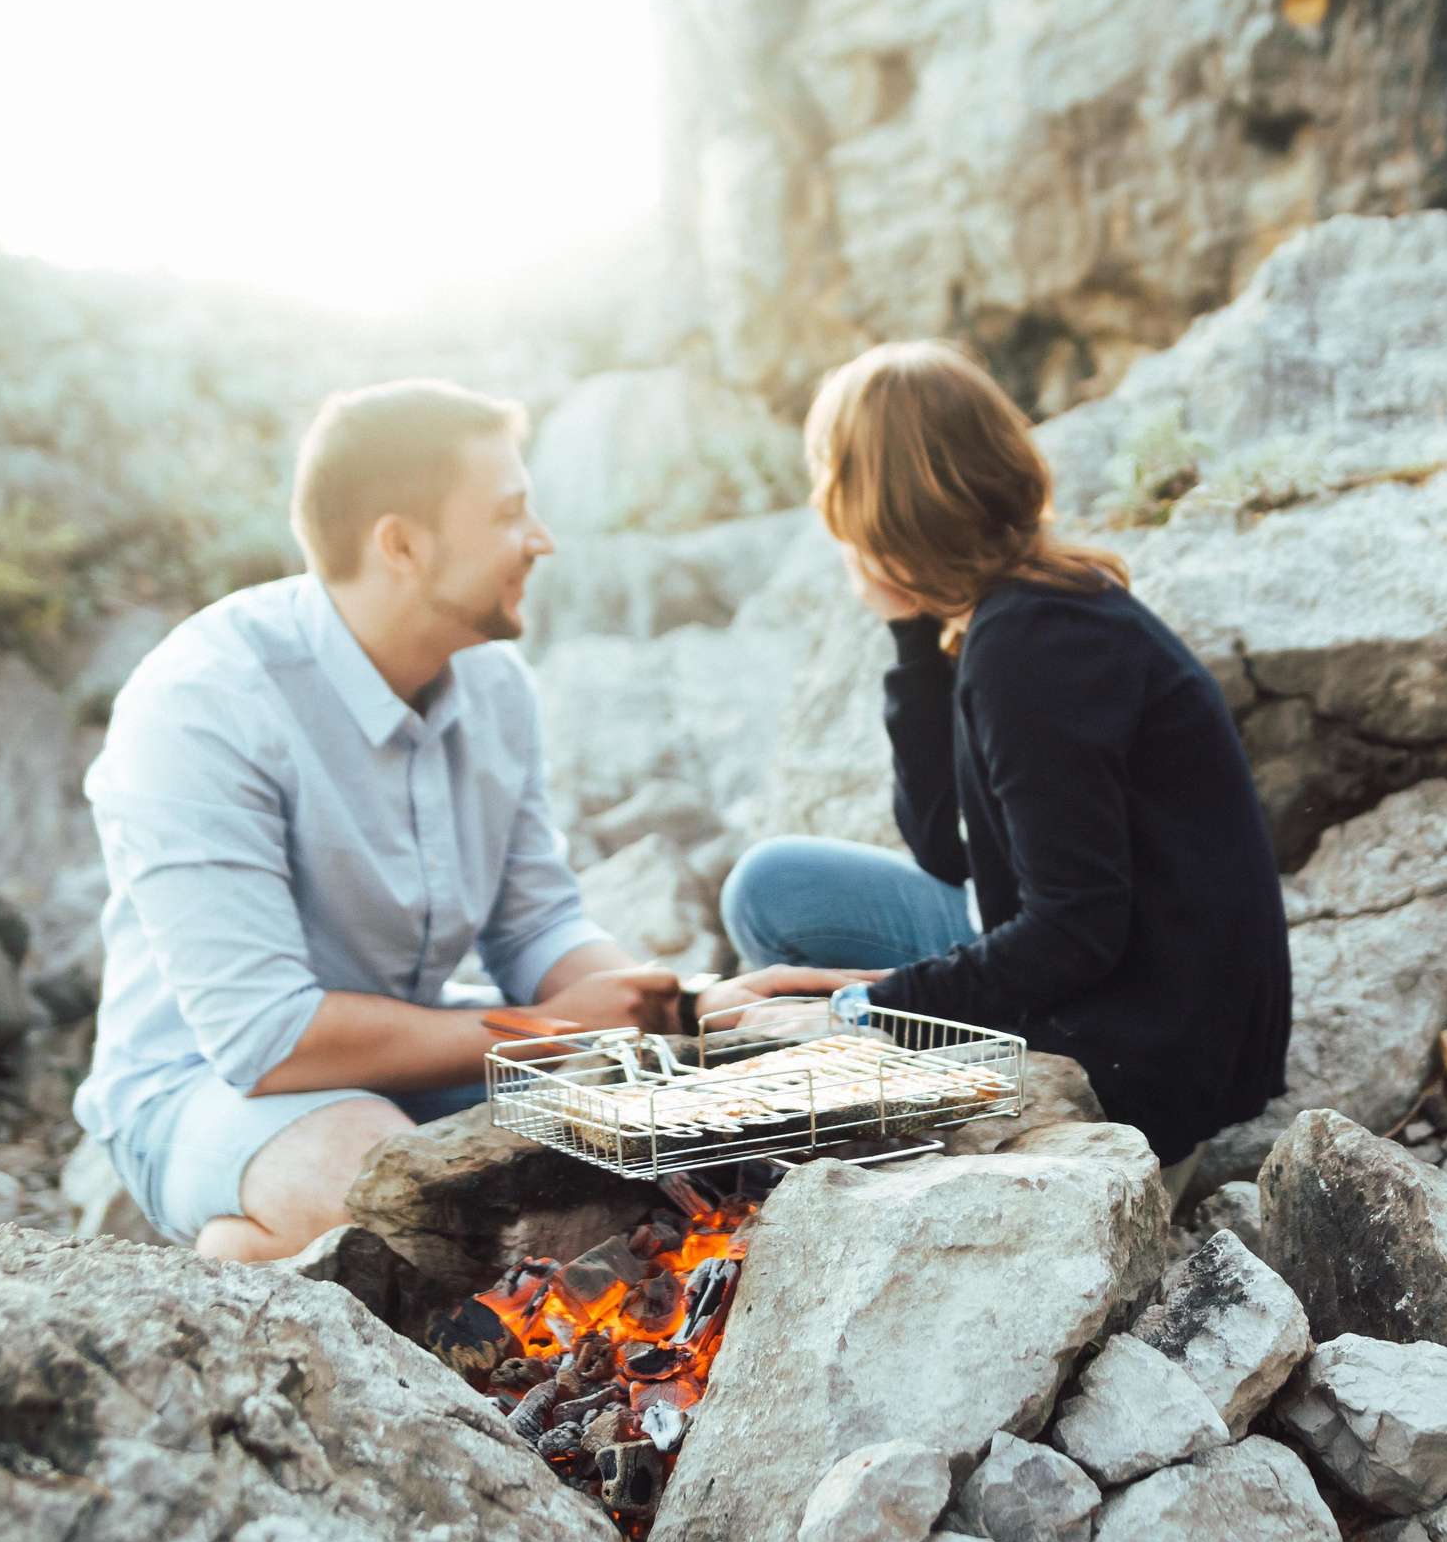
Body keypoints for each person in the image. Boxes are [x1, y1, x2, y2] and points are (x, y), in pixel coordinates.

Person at [75, 379, 854, 1261]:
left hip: (424, 1048)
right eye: (511, 513)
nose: (542, 539)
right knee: (383, 1183)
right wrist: (555, 1029)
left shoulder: (494, 682)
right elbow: (267, 1037)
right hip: (203, 1084)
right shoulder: (203, 702)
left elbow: (535, 927)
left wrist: (686, 1004)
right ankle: (235, 1266)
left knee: (663, 1127)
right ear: (402, 545)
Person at [720, 341, 1292, 1184]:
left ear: (871, 508)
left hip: (1142, 1038)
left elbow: (1076, 930)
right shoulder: (1023, 612)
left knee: (801, 1023)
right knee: (770, 886)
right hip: (1119, 976)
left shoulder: (1036, 643)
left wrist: (870, 1008)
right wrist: (911, 631)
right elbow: (944, 852)